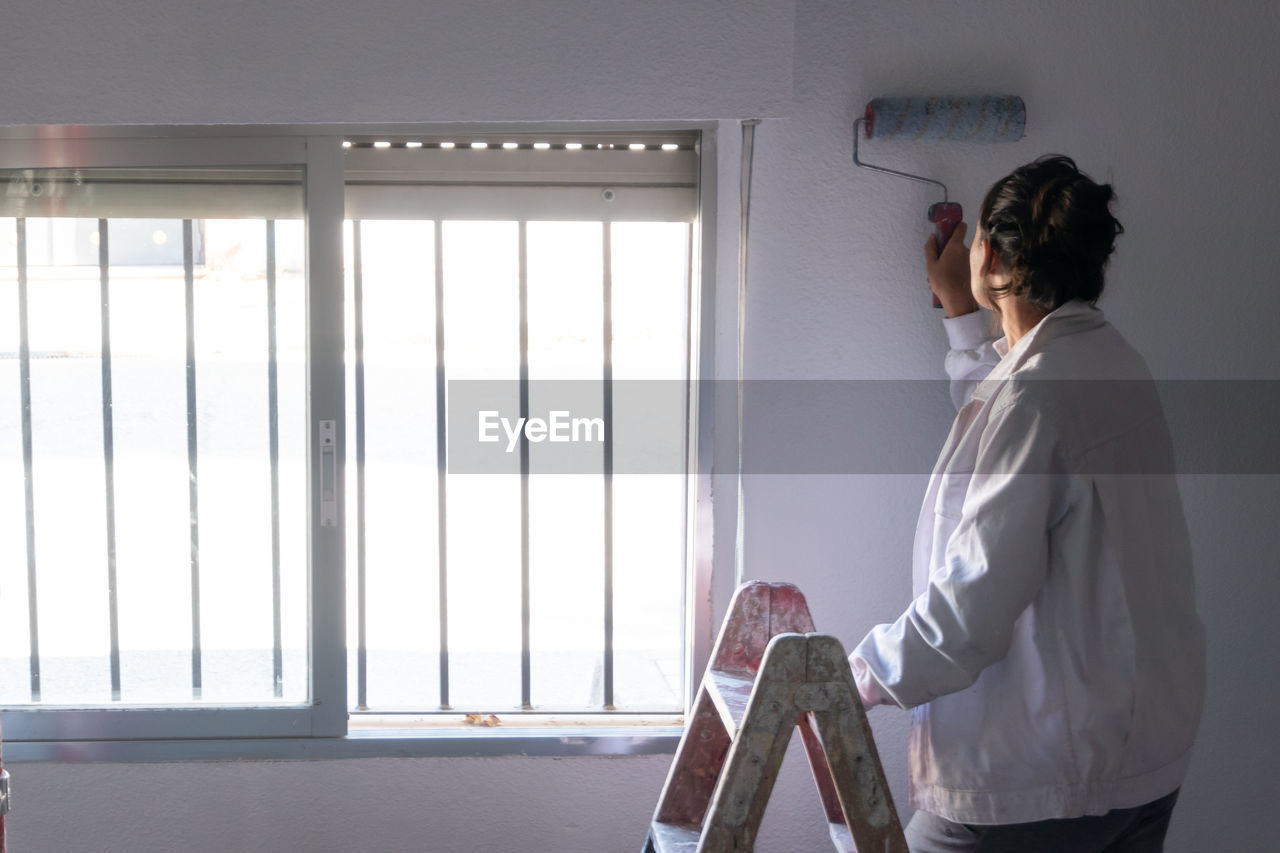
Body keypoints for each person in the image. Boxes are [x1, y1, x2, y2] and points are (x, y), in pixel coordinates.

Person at [848, 155, 1206, 852]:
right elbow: (1015, 429)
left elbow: (967, 616)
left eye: (978, 236)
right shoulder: (1112, 361)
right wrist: (961, 313)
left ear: (995, 257)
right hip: (1149, 757)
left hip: (1049, 778)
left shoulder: (1035, 395)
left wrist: (853, 675)